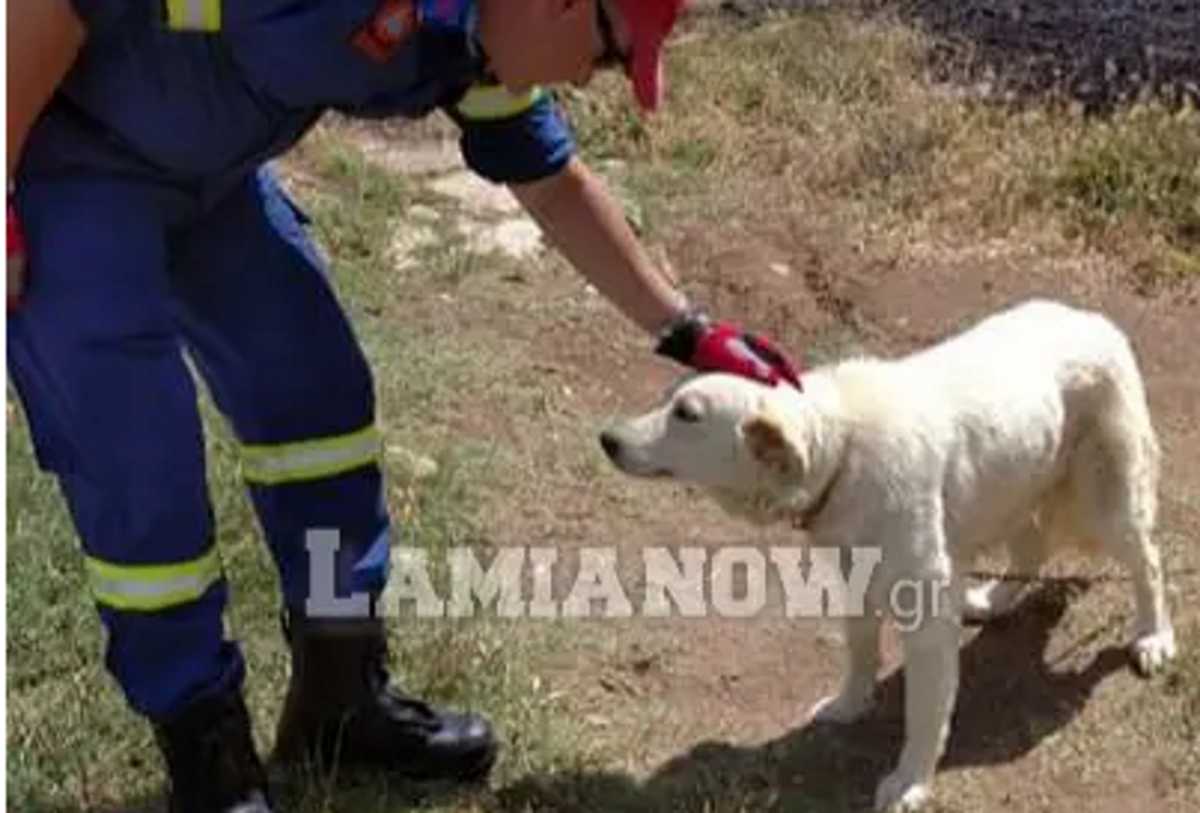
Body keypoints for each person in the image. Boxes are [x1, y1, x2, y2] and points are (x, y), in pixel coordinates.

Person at [6, 1, 803, 810]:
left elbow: (552, 179)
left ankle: (339, 700)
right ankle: (209, 761)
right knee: (140, 464)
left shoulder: (466, 39)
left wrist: (689, 333)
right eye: (602, 56)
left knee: (315, 394)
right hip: (67, 168)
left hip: (207, 179)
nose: (581, 81)